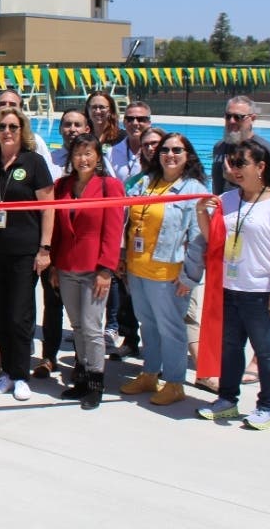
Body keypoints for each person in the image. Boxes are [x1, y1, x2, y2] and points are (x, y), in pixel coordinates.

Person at [194, 139, 270, 429]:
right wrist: (202, 213)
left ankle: (267, 406)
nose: (234, 169)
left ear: (261, 167)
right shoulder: (227, 200)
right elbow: (215, 240)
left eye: (241, 163)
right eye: (231, 163)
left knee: (266, 350)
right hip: (229, 289)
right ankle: (227, 400)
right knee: (230, 348)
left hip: (261, 291)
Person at [0, 107, 54, 402]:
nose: (7, 132)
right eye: (1, 127)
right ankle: (7, 370)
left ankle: (21, 375)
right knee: (0, 316)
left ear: (22, 131)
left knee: (20, 315)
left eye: (13, 127)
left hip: (24, 252)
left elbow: (48, 207)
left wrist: (45, 248)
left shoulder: (35, 162)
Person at [120, 132, 207, 406]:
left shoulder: (194, 190)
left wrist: (190, 277)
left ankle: (174, 381)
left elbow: (198, 238)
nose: (170, 154)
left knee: (171, 330)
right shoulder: (147, 182)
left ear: (188, 155)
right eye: (165, 150)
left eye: (177, 150)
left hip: (168, 274)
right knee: (148, 325)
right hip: (139, 268)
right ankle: (149, 373)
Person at [208, 96, 270, 387]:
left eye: (238, 117)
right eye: (228, 115)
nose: (232, 121)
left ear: (252, 118)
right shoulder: (220, 148)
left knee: (261, 311)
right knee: (232, 307)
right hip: (228, 231)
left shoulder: (265, 150)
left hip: (258, 231)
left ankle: (257, 359)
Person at [49, 133, 124, 409]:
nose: (83, 159)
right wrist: (55, 264)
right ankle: (80, 374)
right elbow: (57, 229)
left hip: (94, 269)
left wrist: (106, 269)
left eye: (88, 154)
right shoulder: (62, 186)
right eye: (78, 154)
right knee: (77, 325)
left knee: (93, 328)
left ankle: (95, 381)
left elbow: (113, 231)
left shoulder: (110, 187)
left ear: (97, 157)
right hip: (67, 266)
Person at [111, 125, 167, 363]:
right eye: (146, 145)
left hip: (166, 260)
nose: (151, 149)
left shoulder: (183, 182)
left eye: (156, 144)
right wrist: (121, 254)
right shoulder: (136, 182)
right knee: (141, 311)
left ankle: (168, 366)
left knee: (165, 316)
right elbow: (124, 219)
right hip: (138, 255)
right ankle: (142, 354)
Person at [110, 102, 152, 181]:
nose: (135, 123)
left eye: (141, 119)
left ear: (149, 123)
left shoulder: (159, 152)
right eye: (130, 119)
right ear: (124, 123)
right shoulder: (111, 153)